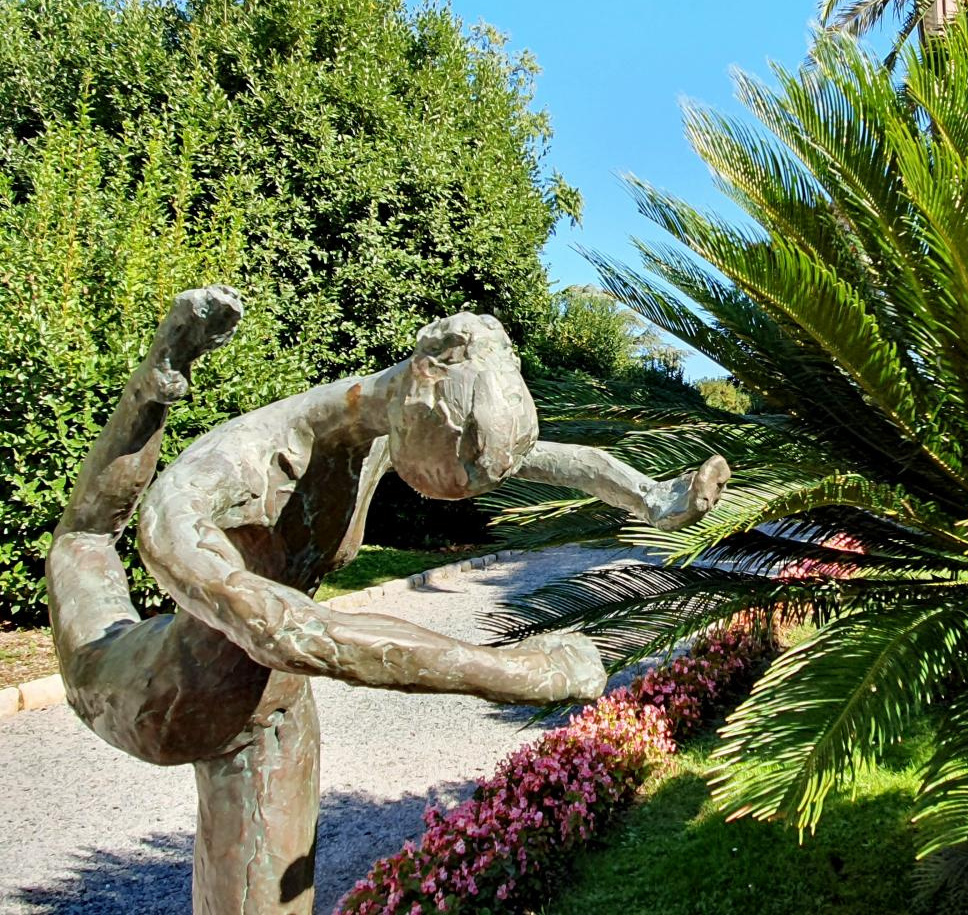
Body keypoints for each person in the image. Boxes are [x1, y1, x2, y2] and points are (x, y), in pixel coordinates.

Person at [47, 286, 730, 914]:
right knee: (85, 540)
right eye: (461, 472)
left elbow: (540, 458)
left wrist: (651, 496)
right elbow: (287, 632)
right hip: (149, 695)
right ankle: (161, 373)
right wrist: (519, 671)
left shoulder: (383, 421)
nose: (470, 489)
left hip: (268, 708)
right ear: (422, 380)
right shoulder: (220, 475)